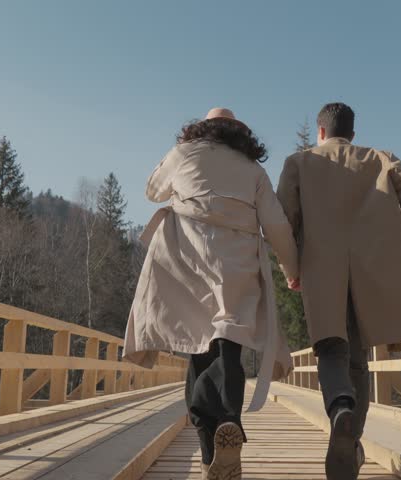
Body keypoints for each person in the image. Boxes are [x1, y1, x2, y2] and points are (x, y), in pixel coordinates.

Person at [123, 108, 299, 480]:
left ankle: (208, 455)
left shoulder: (183, 154)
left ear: (201, 128)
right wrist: (291, 269)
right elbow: (277, 225)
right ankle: (228, 421)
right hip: (235, 268)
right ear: (241, 135)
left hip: (184, 264)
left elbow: (153, 190)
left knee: (199, 354)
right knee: (227, 345)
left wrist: (179, 154)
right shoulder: (253, 171)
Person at [277, 102, 401, 480]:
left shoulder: (298, 163)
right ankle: (352, 442)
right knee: (358, 356)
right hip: (374, 269)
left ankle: (340, 408)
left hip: (321, 269)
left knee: (331, 348)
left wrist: (291, 269)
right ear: (352, 133)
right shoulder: (382, 160)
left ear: (320, 131)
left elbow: (283, 220)